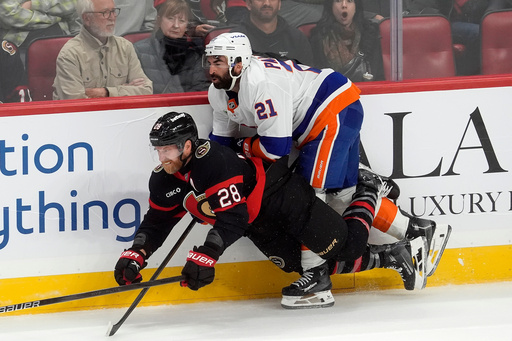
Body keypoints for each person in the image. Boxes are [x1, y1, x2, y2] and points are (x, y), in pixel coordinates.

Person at [203, 32, 451, 287]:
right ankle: (414, 230)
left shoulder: (262, 85)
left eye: (218, 62)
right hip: (330, 111)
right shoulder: (218, 93)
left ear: (239, 62)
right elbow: (220, 143)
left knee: (307, 200)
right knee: (341, 197)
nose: (211, 69)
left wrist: (241, 145)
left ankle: (316, 277)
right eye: (210, 61)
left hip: (330, 112)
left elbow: (276, 149)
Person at [114, 111, 429, 310]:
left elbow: (232, 218)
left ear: (186, 145)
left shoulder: (213, 162)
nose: (162, 157)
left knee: (349, 246)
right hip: (256, 223)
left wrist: (207, 254)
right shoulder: (164, 177)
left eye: (167, 149)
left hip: (281, 196)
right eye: (158, 149)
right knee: (295, 265)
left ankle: (368, 188)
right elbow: (157, 221)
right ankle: (392, 256)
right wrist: (137, 253)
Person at [53, 0, 153, 100]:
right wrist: (125, 90)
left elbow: (146, 90)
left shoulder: (125, 47)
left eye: (113, 11)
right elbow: (74, 101)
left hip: (121, 113)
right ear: (87, 18)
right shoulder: (70, 53)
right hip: (85, 114)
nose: (112, 17)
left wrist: (106, 92)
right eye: (105, 13)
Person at [133, 0, 210, 94]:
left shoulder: (194, 54)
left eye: (181, 21)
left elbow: (200, 90)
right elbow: (135, 89)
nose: (176, 25)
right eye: (170, 18)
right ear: (159, 20)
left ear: (187, 26)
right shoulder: (138, 50)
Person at [309, 0, 384, 81]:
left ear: (356, 6)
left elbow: (379, 75)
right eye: (338, 1)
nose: (344, 5)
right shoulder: (318, 37)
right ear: (331, 6)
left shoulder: (370, 34)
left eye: (349, 1)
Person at [231, 0, 314, 65]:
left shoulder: (297, 38)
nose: (267, 3)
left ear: (279, 4)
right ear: (249, 4)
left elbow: (307, 76)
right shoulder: (233, 40)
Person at [0, 0, 80, 51]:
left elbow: (73, 4)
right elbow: (10, 14)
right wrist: (56, 17)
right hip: (20, 47)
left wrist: (33, 4)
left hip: (65, 42)